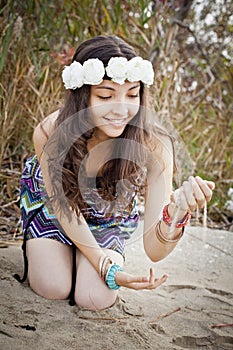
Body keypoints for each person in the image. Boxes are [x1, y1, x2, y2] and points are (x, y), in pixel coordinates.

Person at [16, 35, 215, 311]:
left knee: (95, 298)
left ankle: (81, 257)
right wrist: (107, 267)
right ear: (82, 96)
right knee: (53, 287)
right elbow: (65, 210)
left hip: (106, 218)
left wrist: (177, 212)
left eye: (132, 94)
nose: (121, 109)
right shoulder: (50, 132)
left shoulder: (156, 146)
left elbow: (154, 251)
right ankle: (56, 250)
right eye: (106, 95)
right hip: (58, 211)